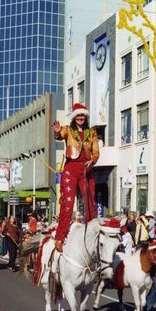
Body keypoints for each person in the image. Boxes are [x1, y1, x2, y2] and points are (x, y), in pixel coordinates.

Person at [52, 103, 100, 252]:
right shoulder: (69, 130)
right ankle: (60, 237)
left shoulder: (91, 132)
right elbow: (60, 135)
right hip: (71, 169)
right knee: (68, 202)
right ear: (74, 117)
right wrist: (57, 132)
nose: (80, 118)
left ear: (85, 117)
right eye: (78, 115)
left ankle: (95, 235)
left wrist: (93, 160)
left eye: (82, 115)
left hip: (86, 169)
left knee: (90, 202)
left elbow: (96, 151)